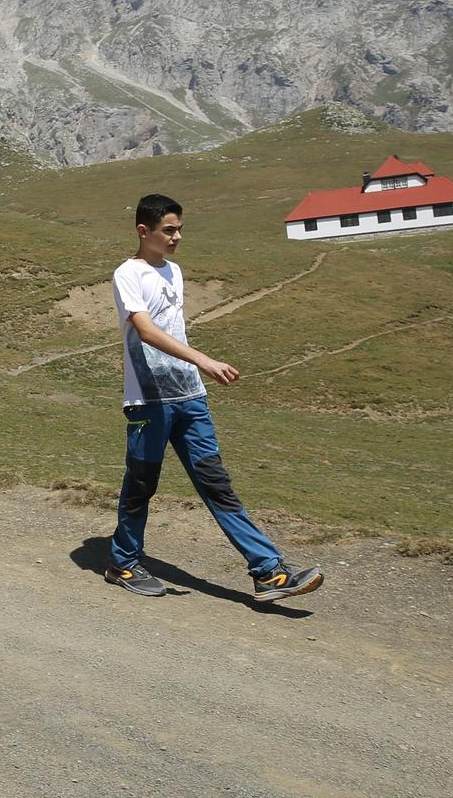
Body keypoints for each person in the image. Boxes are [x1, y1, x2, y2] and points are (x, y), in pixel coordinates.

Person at [105, 194, 325, 603]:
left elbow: (174, 329)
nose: (176, 237)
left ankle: (269, 573)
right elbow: (148, 331)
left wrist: (196, 371)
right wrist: (203, 359)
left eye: (179, 229)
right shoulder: (127, 274)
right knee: (141, 485)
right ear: (143, 231)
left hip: (190, 396)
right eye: (168, 230)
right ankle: (122, 562)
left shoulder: (174, 271)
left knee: (217, 485)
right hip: (150, 401)